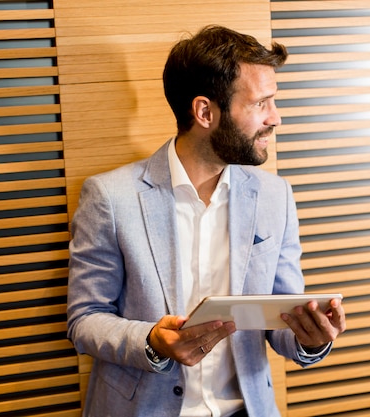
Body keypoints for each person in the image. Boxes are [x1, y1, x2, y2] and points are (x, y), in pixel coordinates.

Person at [66, 25, 346, 417]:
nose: (276, 118)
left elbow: (279, 319)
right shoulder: (110, 197)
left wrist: (310, 337)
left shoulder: (274, 197)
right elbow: (85, 319)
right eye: (260, 103)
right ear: (204, 112)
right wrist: (153, 342)